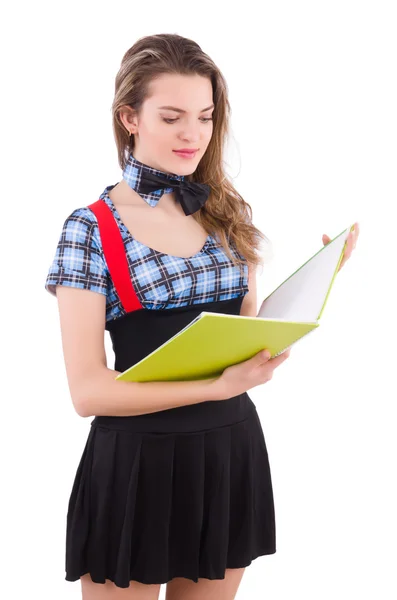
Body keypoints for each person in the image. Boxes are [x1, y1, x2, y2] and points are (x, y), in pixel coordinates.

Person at [45, 33, 292, 600]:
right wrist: (218, 386)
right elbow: (88, 393)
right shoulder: (89, 229)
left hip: (229, 452)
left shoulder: (225, 212)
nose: (193, 135)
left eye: (205, 117)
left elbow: (241, 327)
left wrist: (315, 282)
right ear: (130, 118)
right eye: (173, 116)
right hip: (137, 463)